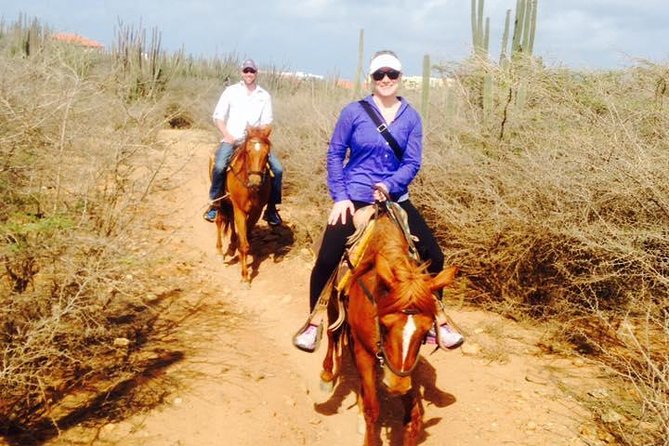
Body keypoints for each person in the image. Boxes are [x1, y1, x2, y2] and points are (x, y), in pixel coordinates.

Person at [292, 50, 464, 353]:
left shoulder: (411, 117)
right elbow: (335, 154)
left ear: (399, 78)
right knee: (327, 258)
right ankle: (314, 321)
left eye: (392, 74)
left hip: (395, 197)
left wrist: (390, 184)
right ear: (371, 79)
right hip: (355, 196)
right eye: (379, 75)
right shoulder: (353, 112)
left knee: (433, 256)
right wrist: (340, 197)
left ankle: (435, 319)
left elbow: (412, 162)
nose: (386, 80)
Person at [204, 58, 283, 226]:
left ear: (256, 73)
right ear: (241, 72)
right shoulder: (231, 91)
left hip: (254, 141)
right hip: (232, 139)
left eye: (252, 71)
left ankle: (271, 209)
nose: (249, 74)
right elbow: (218, 116)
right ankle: (215, 203)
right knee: (219, 166)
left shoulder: (264, 96)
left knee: (277, 169)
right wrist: (227, 134)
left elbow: (267, 121)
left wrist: (257, 135)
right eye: (246, 71)